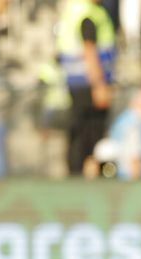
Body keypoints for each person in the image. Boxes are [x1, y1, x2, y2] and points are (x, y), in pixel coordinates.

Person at [56, 0, 116, 177]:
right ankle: (84, 177)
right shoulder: (89, 14)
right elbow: (89, 49)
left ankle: (78, 174)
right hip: (88, 86)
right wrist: (99, 85)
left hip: (77, 84)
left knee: (78, 133)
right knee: (89, 138)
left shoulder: (75, 9)